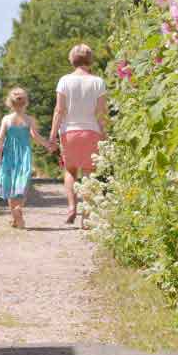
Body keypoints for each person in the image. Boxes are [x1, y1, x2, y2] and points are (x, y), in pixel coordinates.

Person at [49, 44, 108, 226]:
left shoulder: (64, 81)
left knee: (70, 170)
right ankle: (87, 216)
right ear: (90, 60)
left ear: (72, 59)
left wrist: (52, 136)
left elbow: (59, 110)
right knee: (90, 173)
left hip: (69, 132)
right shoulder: (98, 82)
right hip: (92, 131)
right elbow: (101, 112)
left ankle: (71, 207)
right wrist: (105, 135)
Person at [0, 88, 55, 229]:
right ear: (26, 102)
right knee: (22, 183)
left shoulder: (6, 119)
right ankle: (19, 208)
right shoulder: (29, 120)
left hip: (9, 154)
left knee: (10, 185)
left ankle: (15, 217)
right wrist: (48, 145)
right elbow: (36, 137)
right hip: (24, 155)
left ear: (10, 103)